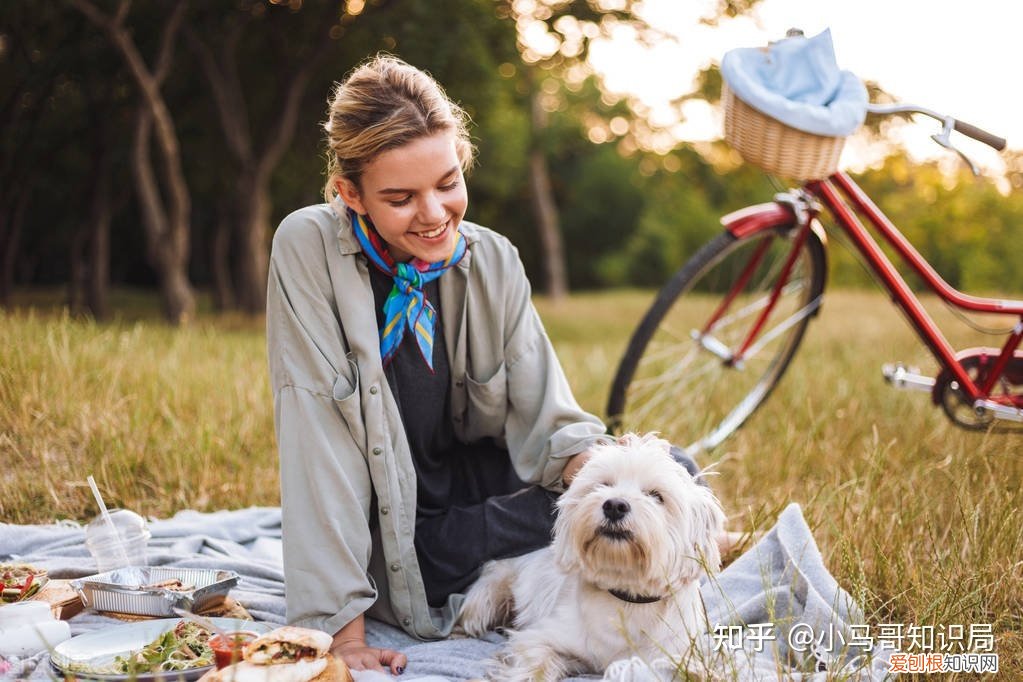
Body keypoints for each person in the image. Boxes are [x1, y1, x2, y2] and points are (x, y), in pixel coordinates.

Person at [266, 55, 708, 674]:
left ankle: (657, 578)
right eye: (400, 197)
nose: (434, 214)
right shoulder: (306, 249)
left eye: (447, 183)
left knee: (676, 471)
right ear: (351, 194)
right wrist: (341, 637)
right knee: (616, 506)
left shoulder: (493, 259)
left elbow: (549, 420)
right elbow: (318, 444)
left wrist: (608, 480)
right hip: (404, 538)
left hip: (482, 498)